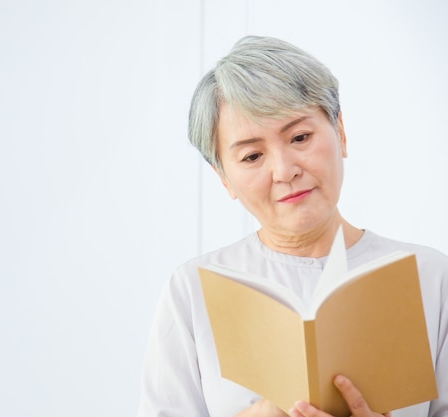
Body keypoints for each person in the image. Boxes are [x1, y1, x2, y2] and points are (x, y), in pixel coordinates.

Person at [137, 36, 448, 417]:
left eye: (300, 137)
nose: (285, 171)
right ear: (223, 177)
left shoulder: (431, 277)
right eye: (252, 156)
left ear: (341, 133)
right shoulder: (192, 290)